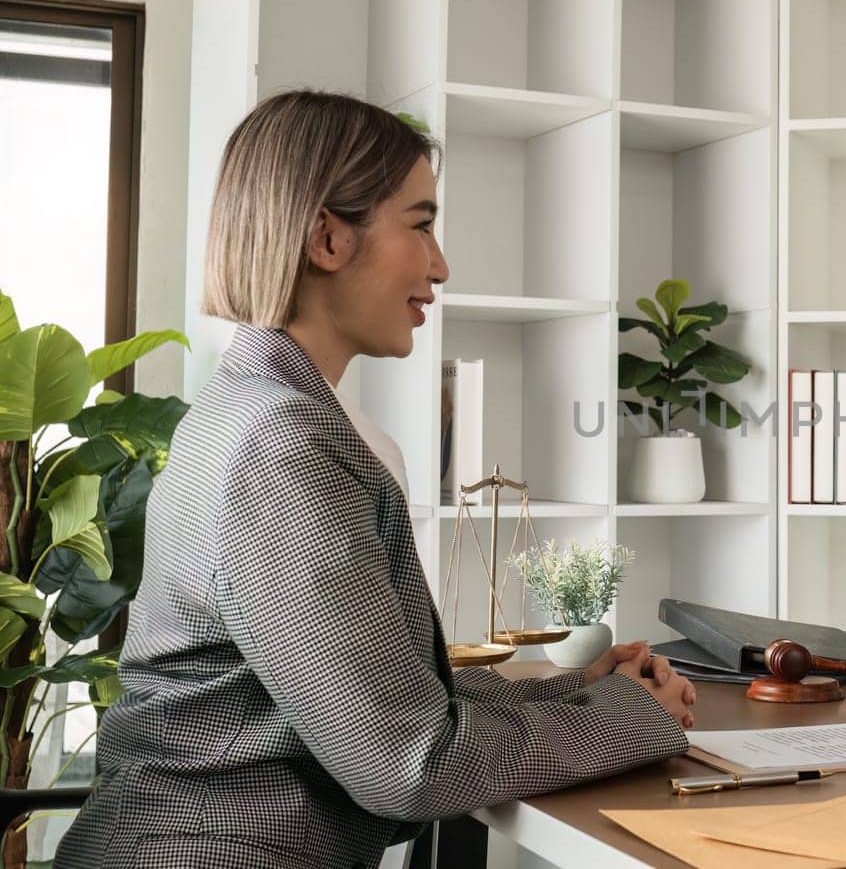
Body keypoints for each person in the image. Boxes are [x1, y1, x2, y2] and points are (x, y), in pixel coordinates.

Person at [57, 91, 695, 869]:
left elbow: (394, 693)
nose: (441, 264)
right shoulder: (280, 449)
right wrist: (629, 717)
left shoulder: (250, 409)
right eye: (421, 224)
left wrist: (584, 688)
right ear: (327, 237)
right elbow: (410, 760)